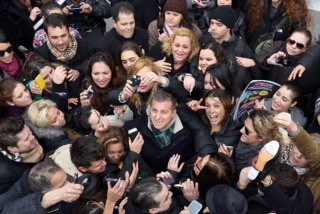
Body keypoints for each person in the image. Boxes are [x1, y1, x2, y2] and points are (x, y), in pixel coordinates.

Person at [123, 89, 212, 174]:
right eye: (154, 110)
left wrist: (171, 177)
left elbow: (186, 169)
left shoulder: (186, 136)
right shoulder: (133, 127)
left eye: (164, 112)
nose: (157, 117)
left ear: (173, 113)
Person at [199, 5, 260, 89]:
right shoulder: (205, 39)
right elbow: (195, 64)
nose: (213, 27)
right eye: (212, 23)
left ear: (229, 27)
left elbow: (257, 79)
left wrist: (254, 65)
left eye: (219, 24)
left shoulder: (241, 48)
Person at [0, 159, 84, 213]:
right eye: (62, 185)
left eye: (66, 179)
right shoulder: (9, 200)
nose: (69, 184)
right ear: (44, 192)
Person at [274, 112, 320, 210]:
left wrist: (292, 127)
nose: (299, 156)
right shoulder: (276, 154)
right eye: (299, 148)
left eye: (306, 156)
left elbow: (314, 155)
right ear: (293, 144)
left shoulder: (313, 181)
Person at [35, 13, 94, 78]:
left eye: (63, 36)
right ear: (47, 35)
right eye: (54, 37)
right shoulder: (41, 54)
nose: (60, 42)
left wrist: (79, 71)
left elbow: (94, 62)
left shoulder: (83, 45)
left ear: (69, 31)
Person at [150, 28, 202, 98]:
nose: (180, 50)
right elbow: (140, 65)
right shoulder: (160, 52)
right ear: (171, 45)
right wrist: (153, 65)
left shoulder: (194, 65)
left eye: (185, 47)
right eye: (177, 45)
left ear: (192, 49)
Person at [0, 117, 44, 194]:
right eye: (27, 139)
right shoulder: (6, 174)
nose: (33, 137)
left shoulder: (28, 135)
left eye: (30, 132)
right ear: (12, 149)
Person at [79, 52, 127, 118]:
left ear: (112, 72)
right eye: (96, 74)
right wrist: (86, 108)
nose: (101, 78)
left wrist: (122, 112)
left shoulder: (122, 85)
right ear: (90, 74)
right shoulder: (87, 86)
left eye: (105, 73)